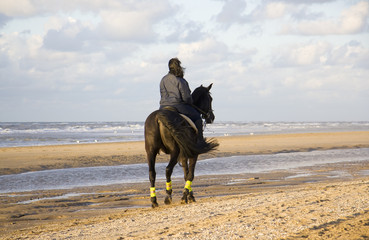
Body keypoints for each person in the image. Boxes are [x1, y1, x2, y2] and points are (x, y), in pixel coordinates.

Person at [159, 58, 203, 141]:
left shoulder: (163, 79)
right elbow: (186, 98)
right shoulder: (180, 80)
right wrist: (191, 103)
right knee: (197, 117)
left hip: (162, 107)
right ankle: (200, 141)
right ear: (178, 67)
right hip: (178, 105)